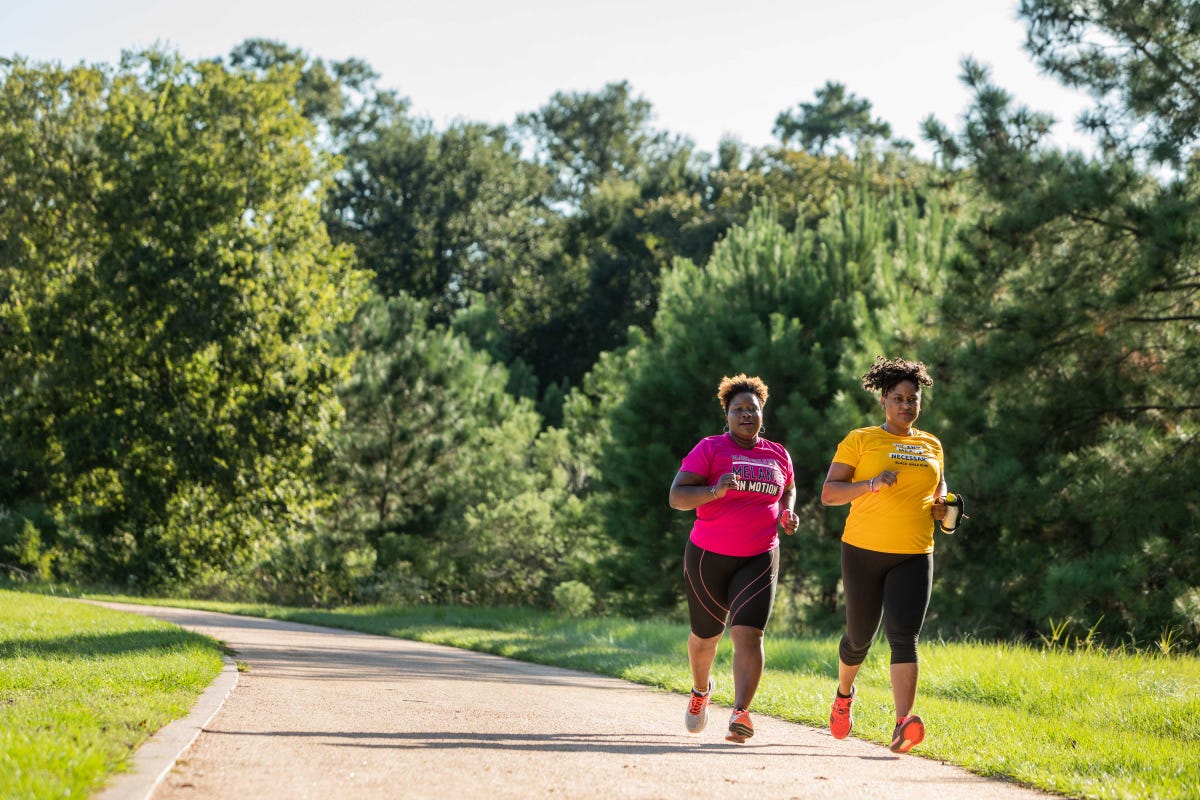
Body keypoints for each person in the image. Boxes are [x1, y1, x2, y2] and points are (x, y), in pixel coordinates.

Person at [820, 355, 950, 754]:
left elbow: (939, 489)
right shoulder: (860, 439)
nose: (907, 405)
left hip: (913, 553)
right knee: (859, 638)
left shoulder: (932, 444)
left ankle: (901, 723)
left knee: (904, 637)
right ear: (883, 401)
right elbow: (829, 494)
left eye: (913, 399)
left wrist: (945, 509)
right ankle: (843, 696)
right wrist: (871, 483)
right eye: (898, 398)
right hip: (863, 551)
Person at [669, 373, 798, 743]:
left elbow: (788, 487)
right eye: (738, 409)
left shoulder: (778, 453)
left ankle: (741, 712)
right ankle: (699, 691)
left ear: (762, 413)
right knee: (706, 637)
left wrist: (788, 512)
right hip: (708, 556)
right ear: (726, 415)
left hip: (759, 556)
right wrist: (713, 490)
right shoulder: (710, 449)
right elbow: (677, 497)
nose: (746, 414)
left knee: (749, 634)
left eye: (752, 409)